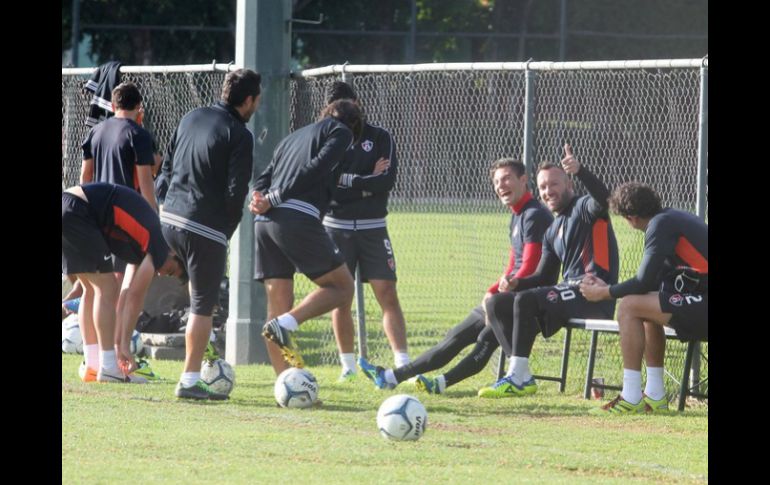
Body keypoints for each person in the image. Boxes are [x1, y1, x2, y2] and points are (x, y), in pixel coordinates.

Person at [358, 158, 553, 393]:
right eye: (496, 181)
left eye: (507, 179)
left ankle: (512, 379)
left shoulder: (534, 215)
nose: (501, 185)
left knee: (483, 342)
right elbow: (513, 263)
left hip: (524, 300)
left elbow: (530, 267)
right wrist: (491, 292)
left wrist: (498, 297)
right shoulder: (517, 215)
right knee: (456, 336)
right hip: (508, 294)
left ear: (523, 180)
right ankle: (395, 377)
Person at [478, 144, 619, 398]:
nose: (548, 191)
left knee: (526, 299)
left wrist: (581, 170)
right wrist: (514, 283)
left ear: (569, 185)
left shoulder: (585, 207)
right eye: (543, 187)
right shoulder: (553, 230)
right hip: (568, 292)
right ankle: (520, 372)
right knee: (498, 303)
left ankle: (518, 377)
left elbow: (604, 198)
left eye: (554, 184)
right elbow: (544, 276)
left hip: (595, 295)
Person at [160, 68, 261, 400]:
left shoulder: (191, 116)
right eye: (256, 100)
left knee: (193, 295)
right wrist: (225, 232)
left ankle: (202, 359)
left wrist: (166, 204)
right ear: (249, 100)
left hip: (169, 219)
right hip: (203, 228)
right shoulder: (239, 134)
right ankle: (189, 381)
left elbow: (167, 166)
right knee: (203, 306)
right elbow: (236, 193)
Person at [250, 99, 364, 374]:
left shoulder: (291, 138)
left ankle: (286, 385)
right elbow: (319, 167)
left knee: (276, 307)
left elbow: (263, 177)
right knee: (343, 288)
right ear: (353, 126)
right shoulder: (341, 132)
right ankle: (287, 324)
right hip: (296, 217)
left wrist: (257, 198)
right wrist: (275, 197)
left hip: (264, 223)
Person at [579, 182, 708, 414]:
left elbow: (642, 281)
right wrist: (610, 287)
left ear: (631, 217)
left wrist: (603, 292)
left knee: (629, 306)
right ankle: (655, 395)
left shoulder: (660, 225)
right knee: (643, 303)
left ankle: (631, 397)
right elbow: (648, 283)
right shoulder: (669, 218)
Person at [322, 81, 410, 381]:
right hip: (336, 228)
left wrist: (350, 182)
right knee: (340, 297)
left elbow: (385, 181)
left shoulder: (380, 136)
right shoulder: (325, 139)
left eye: (350, 106)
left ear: (358, 104)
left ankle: (403, 363)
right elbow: (328, 184)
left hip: (374, 228)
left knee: (387, 293)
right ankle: (347, 366)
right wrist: (364, 182)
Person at [62, 182, 185, 384]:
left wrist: (122, 345)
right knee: (107, 288)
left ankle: (93, 365)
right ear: (174, 253)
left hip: (69, 205)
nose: (162, 274)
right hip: (79, 209)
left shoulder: (141, 247)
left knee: (91, 291)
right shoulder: (160, 246)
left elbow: (127, 293)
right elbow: (135, 297)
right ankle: (109, 367)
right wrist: (124, 348)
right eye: (170, 270)